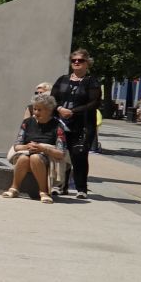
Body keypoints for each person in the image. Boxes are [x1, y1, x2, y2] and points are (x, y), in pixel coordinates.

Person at [52, 49, 100, 199]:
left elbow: (94, 102)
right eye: (74, 60)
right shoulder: (63, 79)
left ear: (87, 63)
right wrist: (59, 108)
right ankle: (60, 186)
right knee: (61, 154)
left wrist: (72, 111)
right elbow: (53, 98)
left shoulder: (92, 81)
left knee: (78, 154)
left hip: (83, 124)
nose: (77, 62)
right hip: (61, 122)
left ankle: (81, 188)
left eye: (80, 60)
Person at [2, 91, 66, 203]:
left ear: (49, 110)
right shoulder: (27, 122)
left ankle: (44, 192)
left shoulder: (58, 126)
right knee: (23, 158)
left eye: (39, 110)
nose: (36, 112)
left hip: (46, 157)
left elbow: (61, 153)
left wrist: (43, 148)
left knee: (35, 158)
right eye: (35, 109)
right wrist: (26, 146)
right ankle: (14, 188)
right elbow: (17, 146)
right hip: (26, 153)